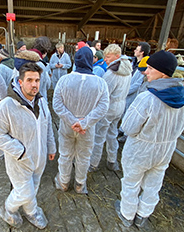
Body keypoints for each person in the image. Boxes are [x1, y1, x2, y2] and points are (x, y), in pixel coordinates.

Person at [115, 50, 184, 228]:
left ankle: (127, 214)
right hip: (165, 150)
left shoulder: (148, 98)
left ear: (163, 72)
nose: (146, 71)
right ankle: (143, 214)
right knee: (154, 182)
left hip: (140, 150)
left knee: (131, 182)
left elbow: (128, 127)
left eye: (150, 68)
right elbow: (181, 125)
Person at [0, 62, 56, 229]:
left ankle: (31, 210)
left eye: (37, 80)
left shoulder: (40, 102)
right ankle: (8, 210)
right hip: (19, 160)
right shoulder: (7, 105)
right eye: (29, 80)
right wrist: (20, 151)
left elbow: (47, 125)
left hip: (39, 157)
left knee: (34, 186)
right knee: (24, 191)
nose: (34, 84)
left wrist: (51, 147)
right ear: (20, 82)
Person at [53, 47, 109, 194]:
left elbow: (57, 105)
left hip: (67, 126)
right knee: (84, 156)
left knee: (65, 154)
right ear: (91, 60)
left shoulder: (64, 80)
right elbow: (103, 107)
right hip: (87, 129)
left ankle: (64, 182)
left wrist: (72, 121)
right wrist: (83, 123)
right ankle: (79, 184)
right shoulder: (100, 83)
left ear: (75, 60)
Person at [89, 44, 132, 172]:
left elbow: (104, 93)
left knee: (99, 135)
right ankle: (112, 161)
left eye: (108, 57)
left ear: (117, 56)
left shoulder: (112, 72)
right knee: (112, 133)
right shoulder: (128, 70)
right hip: (121, 105)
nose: (106, 59)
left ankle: (93, 163)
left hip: (109, 106)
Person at [118, 56, 150, 143]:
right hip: (134, 97)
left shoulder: (149, 81)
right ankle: (123, 130)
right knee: (127, 113)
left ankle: (126, 135)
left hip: (135, 97)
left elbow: (137, 85)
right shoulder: (143, 75)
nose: (144, 72)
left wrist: (127, 91)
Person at [30, 36, 52, 101]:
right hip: (38, 101)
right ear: (45, 52)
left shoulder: (22, 59)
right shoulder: (40, 65)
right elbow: (47, 84)